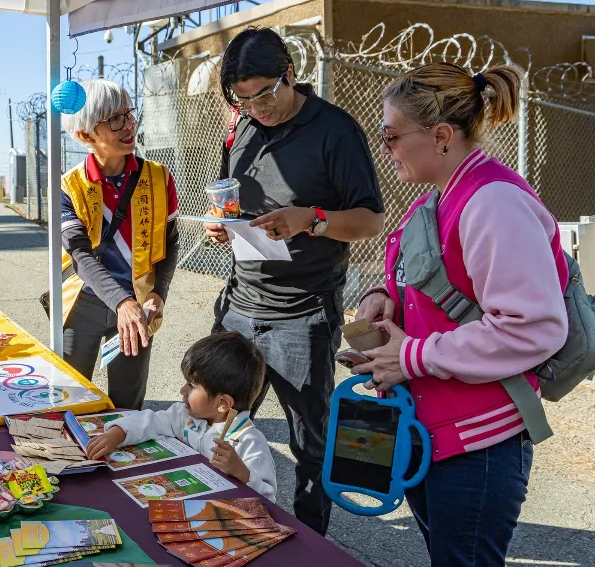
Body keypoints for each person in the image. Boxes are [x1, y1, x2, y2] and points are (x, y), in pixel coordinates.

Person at [356, 62, 567, 567]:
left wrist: (414, 355)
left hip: (478, 444)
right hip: (442, 435)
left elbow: (534, 326)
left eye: (393, 135)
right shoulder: (449, 194)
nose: (386, 146)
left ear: (442, 136)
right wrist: (385, 298)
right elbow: (431, 277)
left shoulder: (492, 201)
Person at [204, 27, 385, 536]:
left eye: (264, 94)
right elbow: (233, 199)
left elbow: (371, 220)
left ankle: (309, 545)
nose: (255, 108)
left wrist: (312, 219)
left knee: (309, 443)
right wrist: (225, 223)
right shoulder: (240, 127)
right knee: (220, 427)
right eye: (242, 99)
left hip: (303, 313)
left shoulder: (336, 130)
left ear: (289, 74)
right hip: (239, 304)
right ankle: (225, 527)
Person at [59, 79, 179, 410]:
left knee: (127, 407)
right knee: (70, 400)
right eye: (115, 120)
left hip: (138, 305)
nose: (129, 124)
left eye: (129, 113)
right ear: (85, 135)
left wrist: (157, 294)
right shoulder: (68, 188)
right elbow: (80, 255)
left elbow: (169, 244)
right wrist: (122, 302)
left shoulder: (159, 177)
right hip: (82, 304)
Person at [85, 331, 277, 500]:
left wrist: (242, 473)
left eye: (192, 386)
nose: (182, 390)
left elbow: (268, 497)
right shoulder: (184, 414)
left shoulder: (249, 442)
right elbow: (152, 421)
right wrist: (119, 432)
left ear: (223, 403)